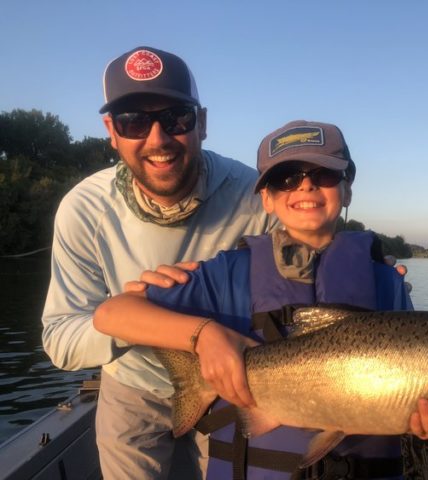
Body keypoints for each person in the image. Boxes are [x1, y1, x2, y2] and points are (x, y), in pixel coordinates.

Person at [94, 120, 428, 479]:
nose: (305, 184)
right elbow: (110, 314)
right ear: (267, 198)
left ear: (347, 190)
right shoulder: (225, 273)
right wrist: (203, 335)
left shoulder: (387, 281)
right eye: (286, 178)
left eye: (324, 174)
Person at [41, 46, 275, 479]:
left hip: (228, 384)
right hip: (132, 386)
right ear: (111, 131)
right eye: (133, 121)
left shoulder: (254, 196)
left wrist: (374, 274)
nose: (158, 139)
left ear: (202, 123)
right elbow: (59, 338)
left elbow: (303, 272)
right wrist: (138, 320)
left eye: (176, 118)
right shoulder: (84, 210)